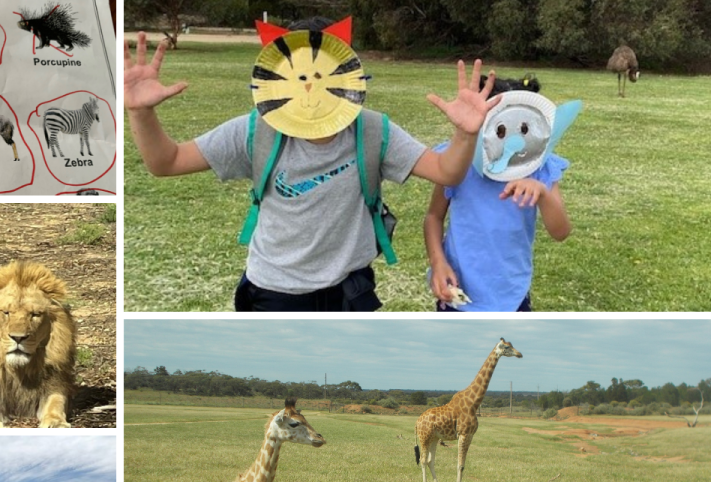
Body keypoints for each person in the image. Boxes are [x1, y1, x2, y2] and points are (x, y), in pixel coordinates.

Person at [125, 19, 500, 312]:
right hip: (273, 291)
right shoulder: (257, 128)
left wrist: (465, 136)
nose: (310, 88)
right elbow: (166, 162)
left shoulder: (372, 130)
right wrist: (141, 112)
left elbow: (446, 172)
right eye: (300, 76)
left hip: (350, 291)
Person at [424, 75, 573, 312]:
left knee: (504, 350)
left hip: (512, 296)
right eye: (500, 131)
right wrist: (438, 262)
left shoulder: (539, 167)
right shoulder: (457, 163)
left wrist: (542, 194)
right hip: (458, 293)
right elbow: (434, 216)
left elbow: (561, 232)